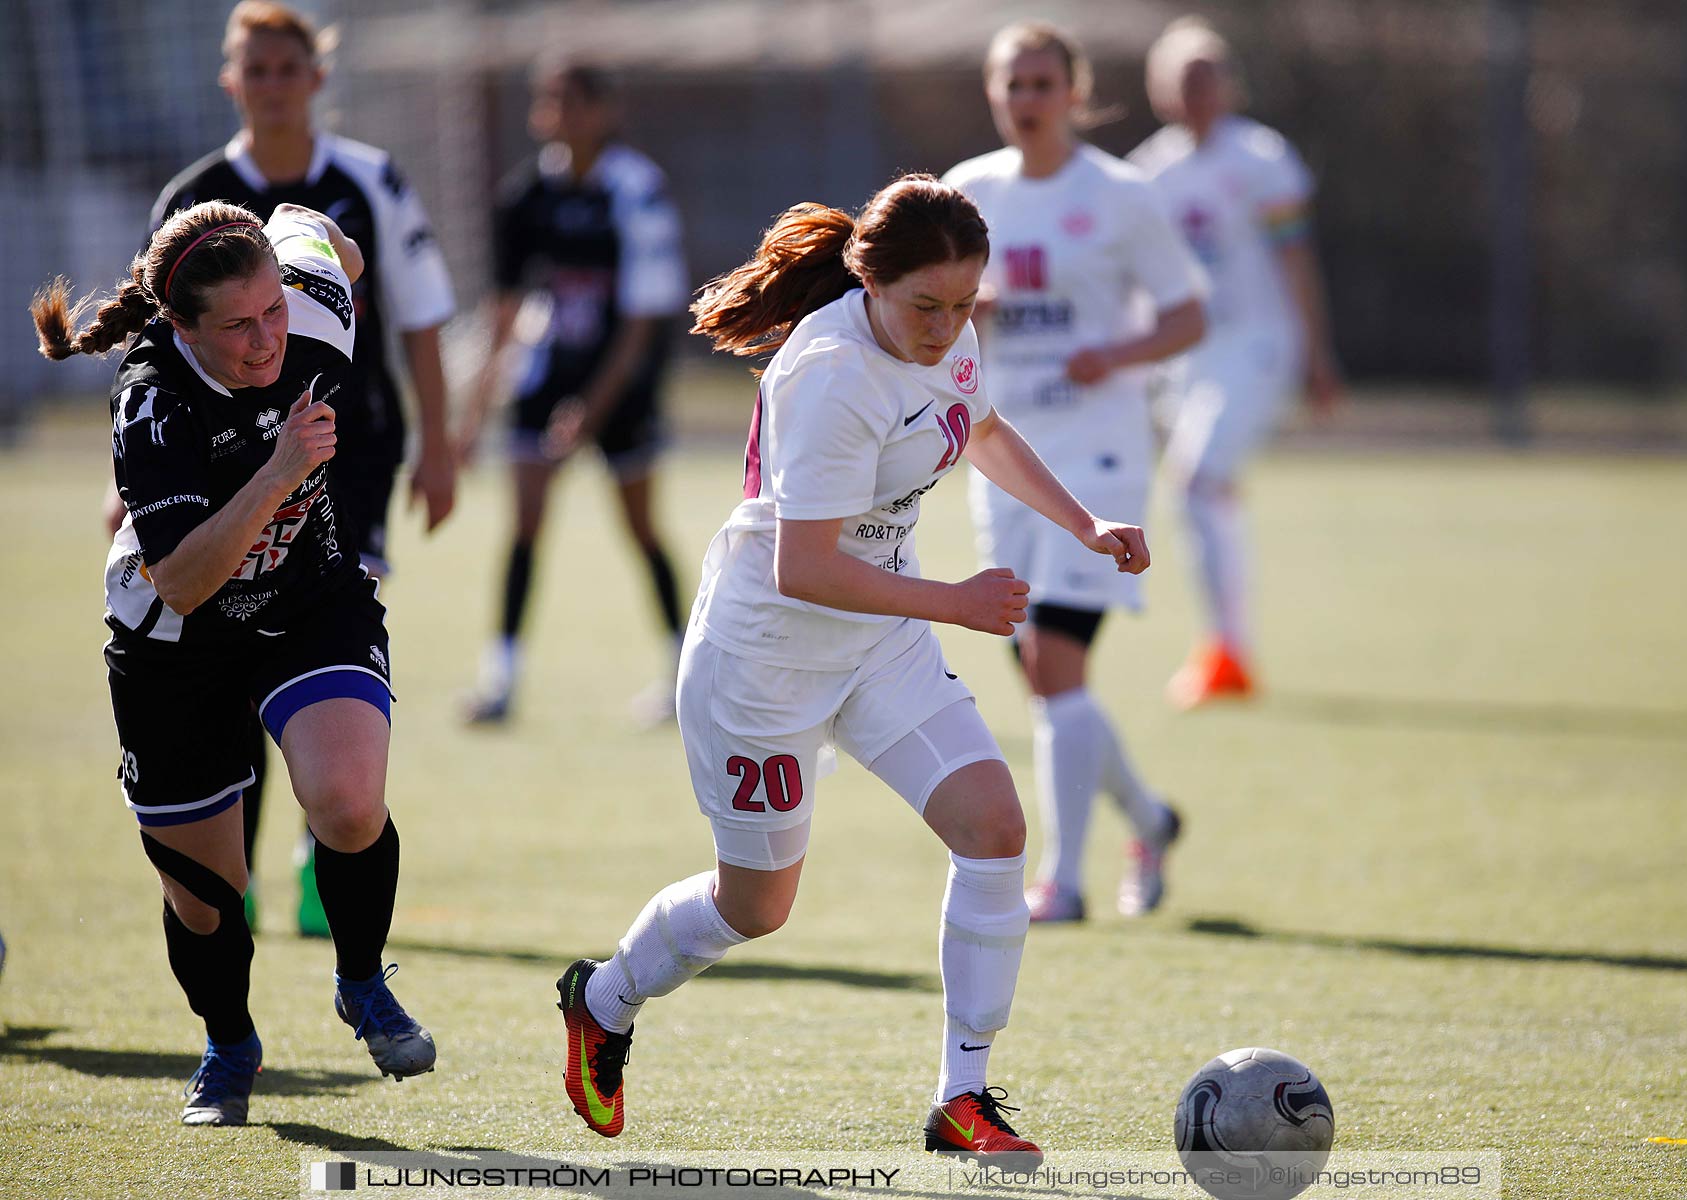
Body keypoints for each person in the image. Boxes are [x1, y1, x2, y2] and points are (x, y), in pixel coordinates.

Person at [554, 176, 1149, 1162]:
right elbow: (808, 566)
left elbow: (982, 429)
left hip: (876, 640)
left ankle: (964, 1096)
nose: (948, 327)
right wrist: (957, 601)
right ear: (870, 280)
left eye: (965, 306)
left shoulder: (942, 334)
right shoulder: (830, 372)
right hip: (766, 662)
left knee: (995, 826)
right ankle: (605, 999)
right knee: (758, 907)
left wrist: (1084, 524)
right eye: (927, 306)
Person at [32, 201, 437, 1126]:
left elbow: (333, 243)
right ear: (180, 326)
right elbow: (179, 580)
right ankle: (229, 1043)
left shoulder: (309, 303)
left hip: (311, 607)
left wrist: (313, 231)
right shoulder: (151, 399)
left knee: (346, 800)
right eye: (237, 326)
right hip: (176, 640)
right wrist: (282, 468)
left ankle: (362, 981)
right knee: (208, 896)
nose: (265, 341)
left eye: (273, 314)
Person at [143, 0, 459, 935]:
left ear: (317, 76)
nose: (273, 83)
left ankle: (326, 855)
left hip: (348, 451)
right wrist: (131, 495)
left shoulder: (369, 180)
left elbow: (421, 311)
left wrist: (440, 443)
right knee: (229, 640)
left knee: (327, 629)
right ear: (230, 78)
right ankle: (230, 861)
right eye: (256, 67)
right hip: (224, 467)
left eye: (289, 67)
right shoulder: (194, 198)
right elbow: (152, 361)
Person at [943, 23, 1207, 923]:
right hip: (1004, 453)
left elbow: (1185, 318)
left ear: (1074, 92)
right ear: (994, 92)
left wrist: (1113, 353)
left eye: (1043, 83)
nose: (1027, 99)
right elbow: (924, 314)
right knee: (1045, 673)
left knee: (1055, 660)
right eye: (1012, 83)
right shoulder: (967, 193)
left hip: (1100, 452)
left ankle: (1062, 881)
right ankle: (1151, 818)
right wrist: (962, 310)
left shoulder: (1121, 195)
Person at [456, 58, 689, 725]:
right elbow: (503, 312)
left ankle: (681, 672)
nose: (560, 115)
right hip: (547, 376)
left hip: (624, 382)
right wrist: (472, 416)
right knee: (526, 523)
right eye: (550, 101)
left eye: (574, 101)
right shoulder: (525, 196)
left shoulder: (636, 190)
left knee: (641, 527)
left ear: (605, 111)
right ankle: (500, 680)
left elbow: (644, 319)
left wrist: (593, 407)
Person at [1129, 18, 1342, 707]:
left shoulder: (1260, 158)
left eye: (1205, 76)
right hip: (1187, 357)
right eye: (1182, 79)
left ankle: (1225, 653)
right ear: (1161, 89)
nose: (1195, 91)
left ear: (1227, 85)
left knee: (1195, 479)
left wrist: (1318, 353)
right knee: (1199, 492)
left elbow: (1296, 258)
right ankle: (1227, 648)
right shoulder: (1148, 170)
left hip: (1257, 342)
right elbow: (1139, 278)